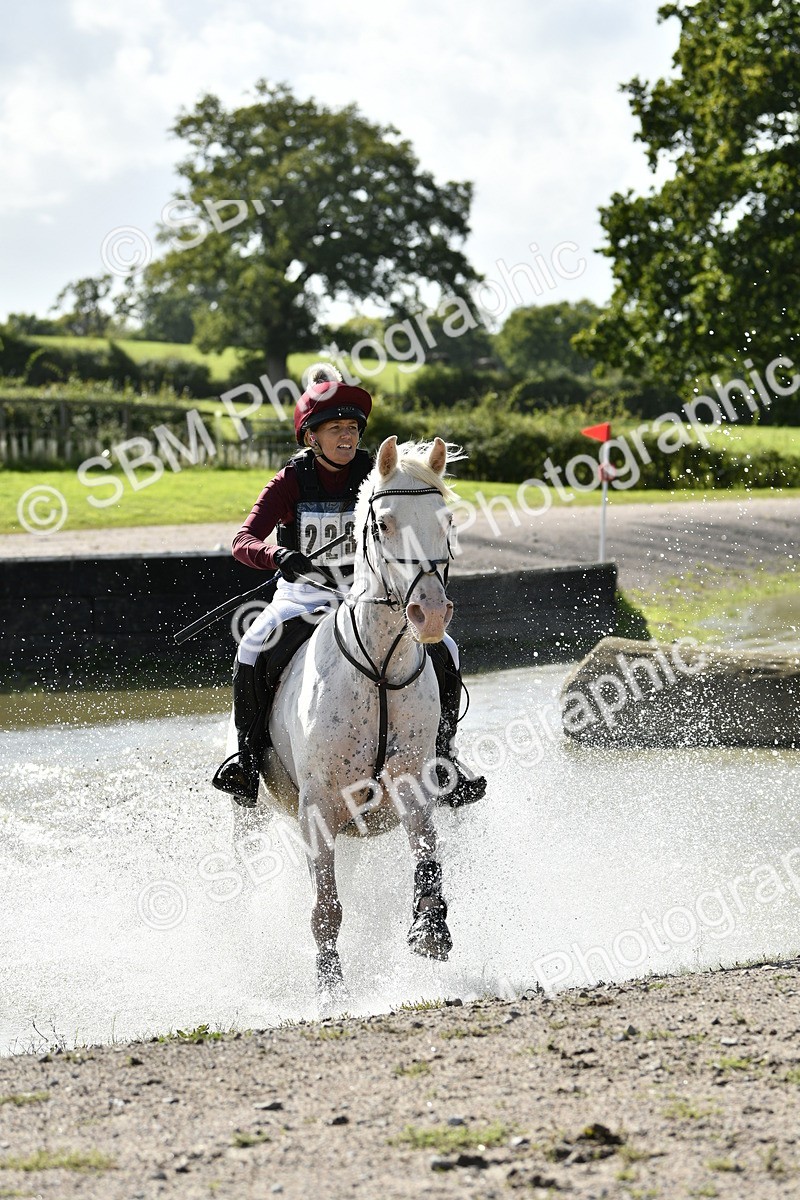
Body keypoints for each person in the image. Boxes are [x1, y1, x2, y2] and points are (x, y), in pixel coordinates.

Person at [212, 365, 486, 809]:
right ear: (310, 437)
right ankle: (245, 757)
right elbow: (242, 542)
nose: (347, 437)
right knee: (253, 643)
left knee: (446, 649)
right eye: (335, 428)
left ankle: (445, 755)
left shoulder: (377, 476)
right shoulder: (289, 482)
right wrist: (280, 556)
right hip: (305, 598)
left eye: (354, 428)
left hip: (370, 598)